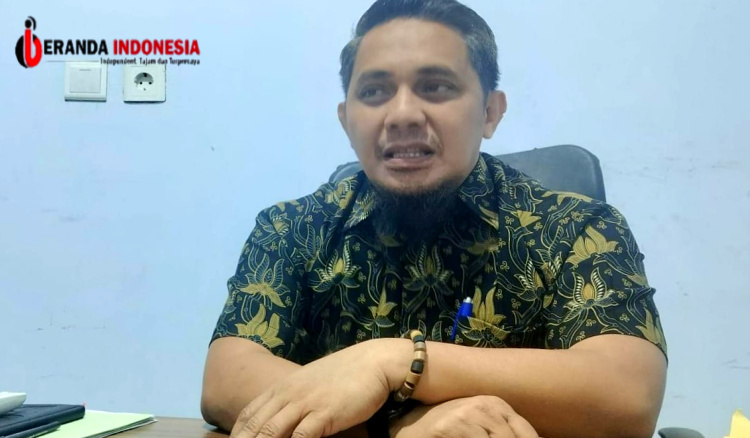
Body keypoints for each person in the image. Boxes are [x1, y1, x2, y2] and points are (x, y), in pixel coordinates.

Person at [201, 0, 668, 437]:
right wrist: (404, 422)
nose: (402, 114)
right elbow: (226, 378)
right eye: (374, 91)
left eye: (435, 86)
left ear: (490, 112)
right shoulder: (290, 227)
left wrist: (395, 362)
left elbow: (627, 395)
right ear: (346, 121)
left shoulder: (578, 227)